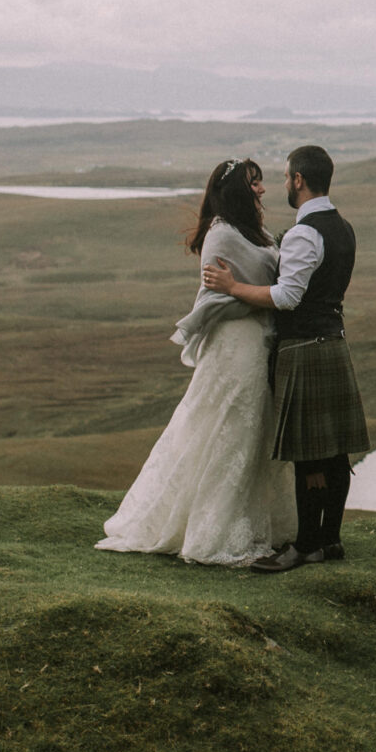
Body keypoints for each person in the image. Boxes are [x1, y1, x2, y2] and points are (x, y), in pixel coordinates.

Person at [95, 158, 294, 565]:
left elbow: (253, 282)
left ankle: (252, 521)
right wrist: (257, 291)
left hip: (256, 341)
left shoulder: (249, 231)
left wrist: (255, 288)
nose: (262, 190)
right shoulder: (221, 234)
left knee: (249, 431)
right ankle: (210, 531)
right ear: (238, 189)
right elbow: (217, 298)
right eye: (254, 183)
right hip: (234, 343)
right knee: (227, 428)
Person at [202, 143, 369, 571]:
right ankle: (329, 540)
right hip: (333, 341)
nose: (281, 185)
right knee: (334, 453)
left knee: (309, 454)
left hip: (304, 349)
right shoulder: (344, 227)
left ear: (298, 180)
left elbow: (287, 297)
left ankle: (306, 544)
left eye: (284, 178)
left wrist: (232, 287)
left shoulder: (304, 232)